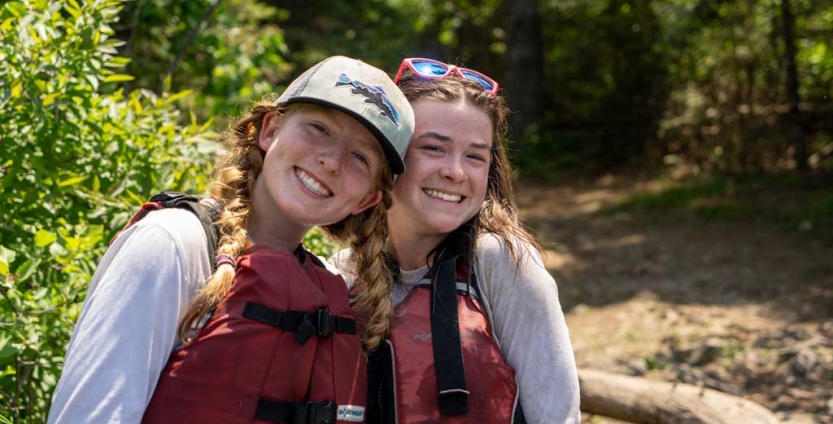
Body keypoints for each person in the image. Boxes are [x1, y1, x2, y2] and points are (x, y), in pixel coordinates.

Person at [47, 56, 415, 424]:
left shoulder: (323, 288)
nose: (332, 162)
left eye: (360, 158)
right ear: (270, 129)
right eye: (320, 128)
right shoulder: (172, 245)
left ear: (368, 198)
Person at [331, 58, 580, 424]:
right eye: (433, 148)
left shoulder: (500, 262)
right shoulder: (343, 275)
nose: (455, 172)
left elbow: (557, 416)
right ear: (390, 155)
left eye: (475, 156)